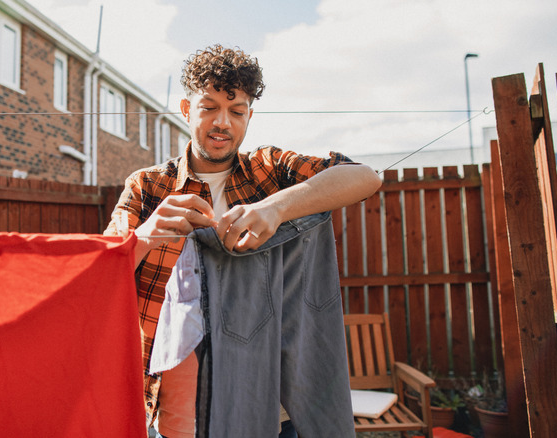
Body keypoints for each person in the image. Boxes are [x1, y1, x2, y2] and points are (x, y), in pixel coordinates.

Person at [104, 44, 382, 438]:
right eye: (209, 107)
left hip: (268, 409)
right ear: (186, 109)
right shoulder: (148, 186)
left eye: (236, 111)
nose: (223, 123)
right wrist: (146, 235)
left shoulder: (268, 171)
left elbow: (365, 177)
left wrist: (276, 207)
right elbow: (99, 271)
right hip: (174, 416)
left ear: (250, 115)